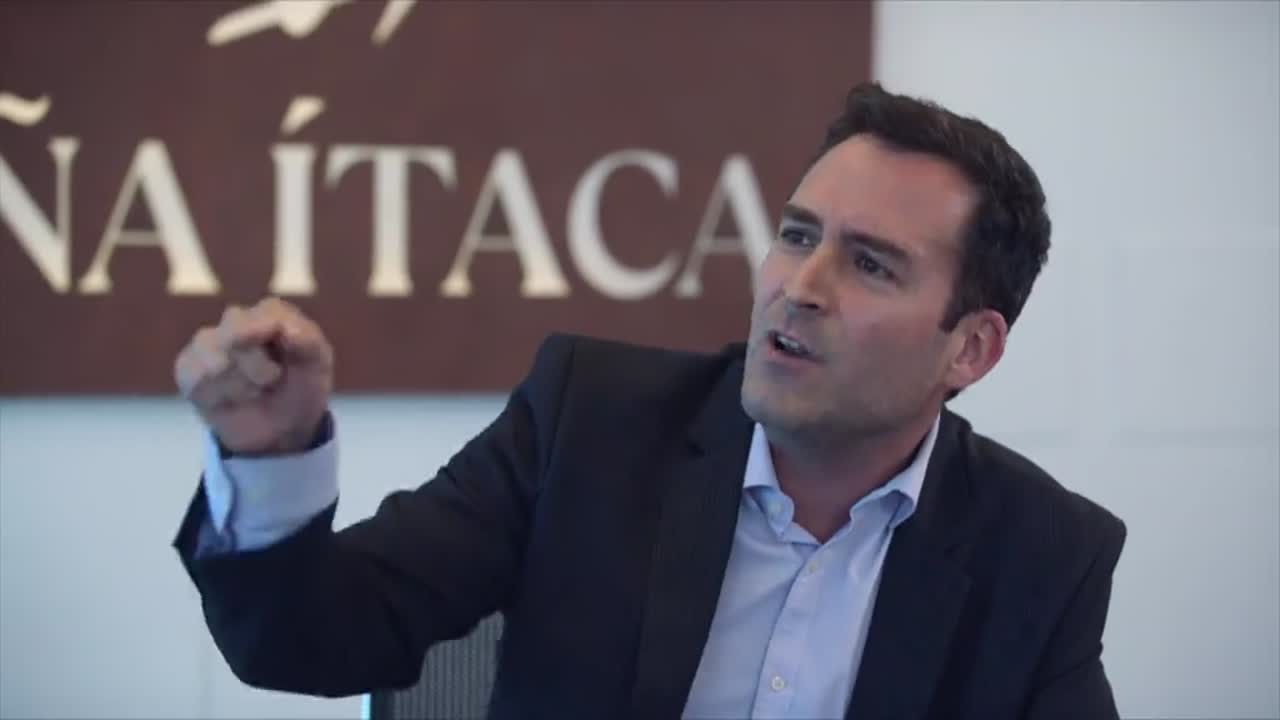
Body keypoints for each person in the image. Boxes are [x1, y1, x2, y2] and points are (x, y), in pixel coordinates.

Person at [172, 83, 1126, 720]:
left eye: (871, 264)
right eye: (798, 236)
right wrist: (270, 458)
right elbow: (309, 639)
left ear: (970, 347)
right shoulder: (591, 425)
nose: (800, 287)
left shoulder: (1041, 551)